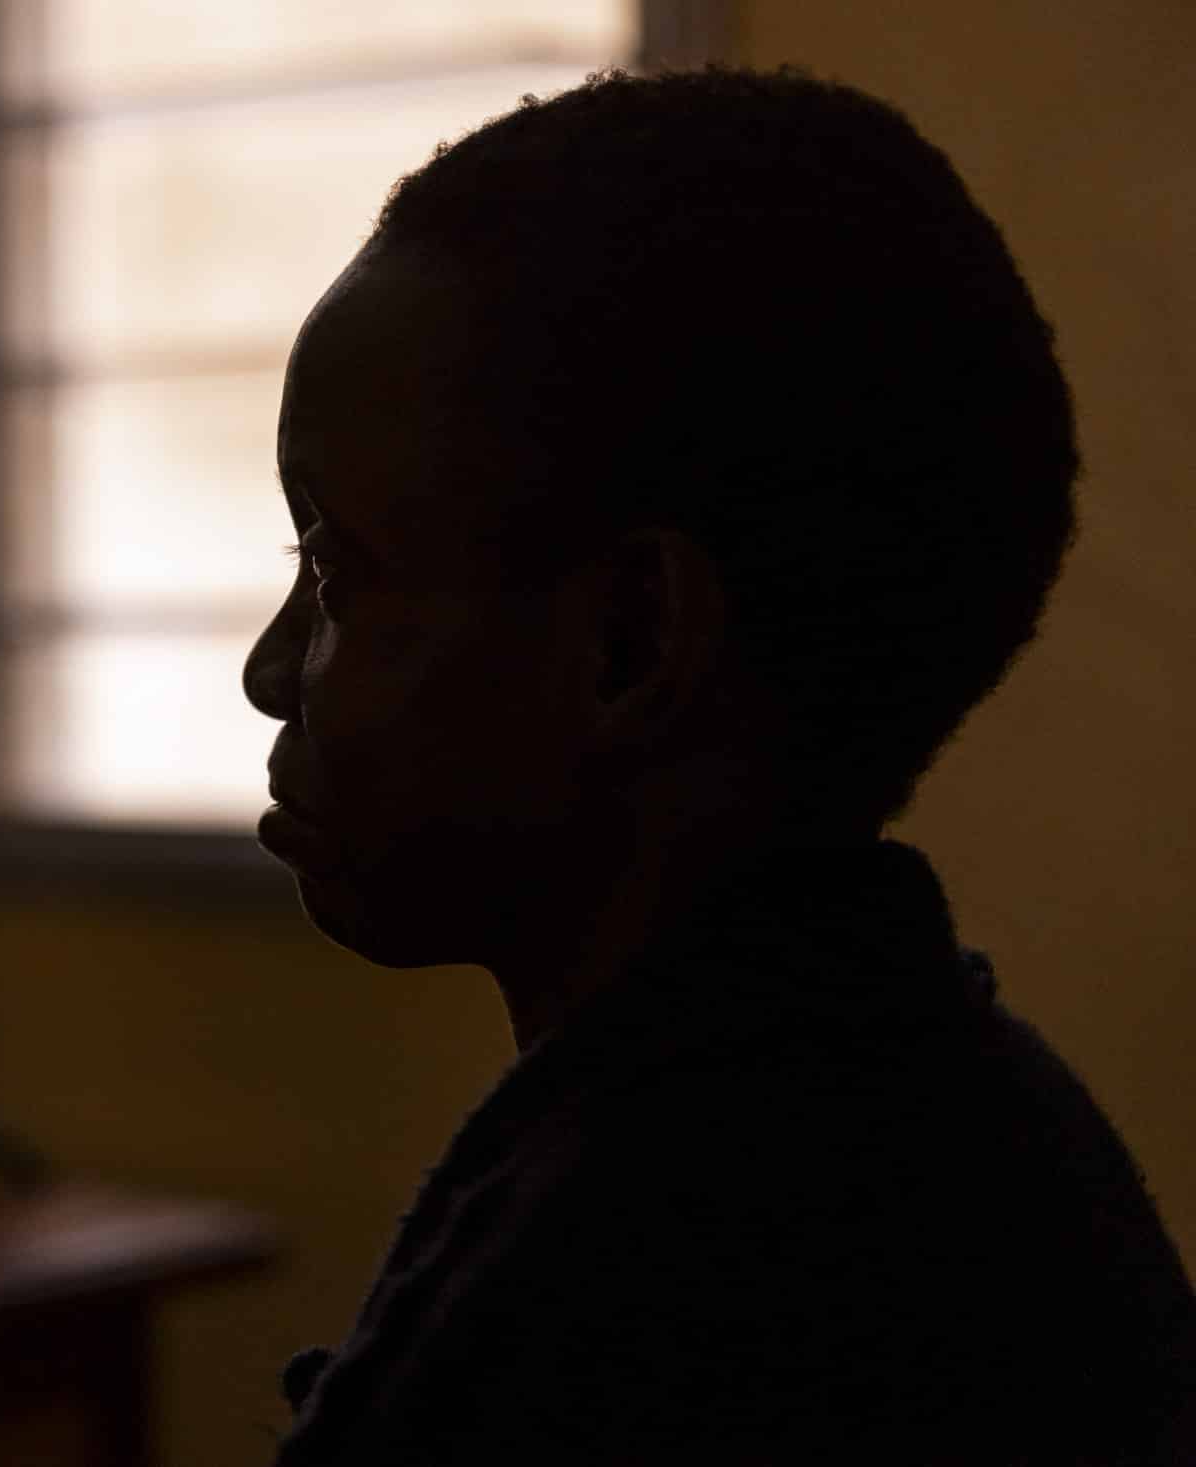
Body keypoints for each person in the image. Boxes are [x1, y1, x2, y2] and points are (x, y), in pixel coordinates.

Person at [242, 66, 1194, 1464]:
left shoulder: (670, 1294)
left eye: (337, 569)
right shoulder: (939, 1119)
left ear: (631, 639)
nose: (271, 669)